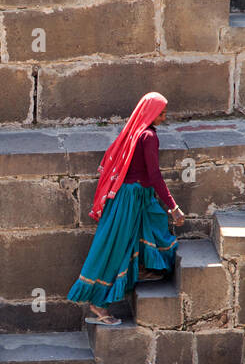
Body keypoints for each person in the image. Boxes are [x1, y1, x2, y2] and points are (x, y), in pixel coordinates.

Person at [68, 91, 184, 326]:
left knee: (150, 225)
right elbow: (154, 175)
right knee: (114, 247)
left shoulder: (135, 132)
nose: (164, 118)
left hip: (134, 194)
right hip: (130, 197)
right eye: (161, 113)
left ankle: (141, 269)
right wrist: (173, 207)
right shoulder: (148, 136)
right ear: (151, 113)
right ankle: (98, 303)